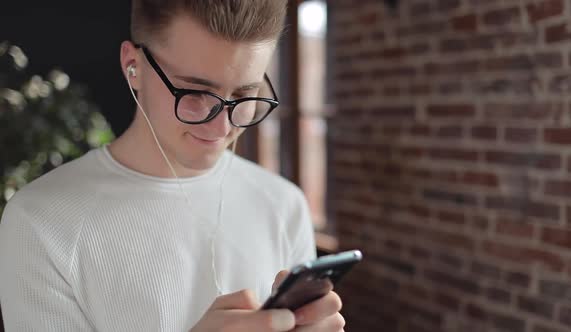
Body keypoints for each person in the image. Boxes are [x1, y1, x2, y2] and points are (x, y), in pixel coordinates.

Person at [0, 1, 345, 331]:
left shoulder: (285, 205)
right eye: (195, 93)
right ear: (132, 66)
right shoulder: (40, 222)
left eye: (243, 96)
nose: (222, 127)